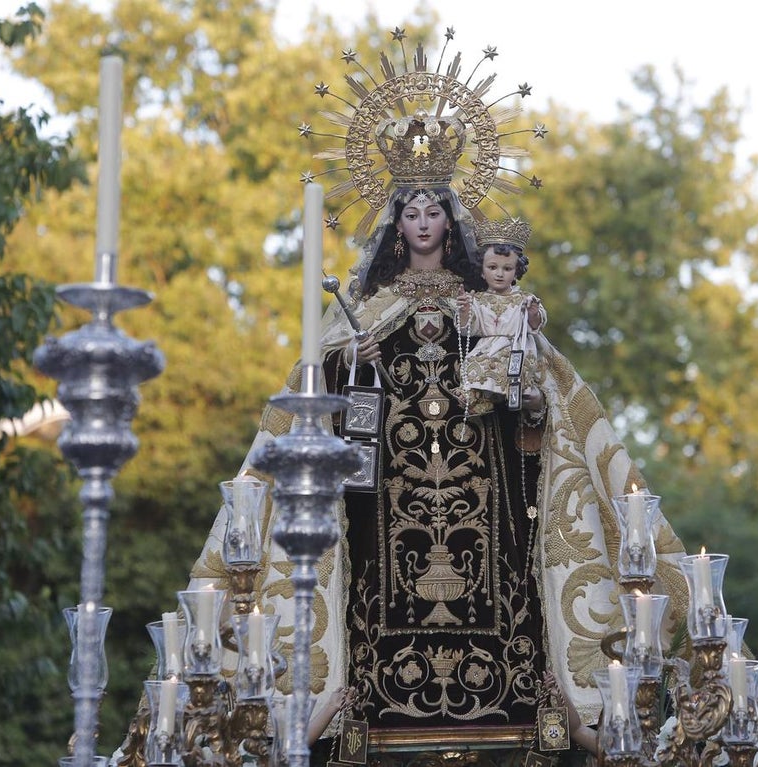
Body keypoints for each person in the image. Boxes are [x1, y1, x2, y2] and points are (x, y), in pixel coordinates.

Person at [172, 32, 696, 762]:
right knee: (371, 584)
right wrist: (346, 363)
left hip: (491, 514)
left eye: (434, 210)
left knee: (507, 578)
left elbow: (539, 407)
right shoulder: (367, 309)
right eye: (411, 211)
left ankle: (537, 684)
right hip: (379, 502)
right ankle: (344, 697)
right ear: (397, 222)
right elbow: (318, 402)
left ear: (452, 219)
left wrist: (524, 392)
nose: (423, 223)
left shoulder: (490, 306)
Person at [457, 218, 547, 415]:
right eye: (492, 267)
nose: (499, 274)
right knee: (473, 364)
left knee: (507, 368)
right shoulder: (477, 300)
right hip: (487, 348)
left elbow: (536, 325)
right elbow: (470, 329)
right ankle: (480, 399)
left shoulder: (524, 298)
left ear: (516, 272)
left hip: (514, 349)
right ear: (482, 271)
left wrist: (533, 314)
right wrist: (464, 311)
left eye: (507, 269)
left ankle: (501, 396)